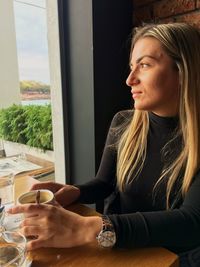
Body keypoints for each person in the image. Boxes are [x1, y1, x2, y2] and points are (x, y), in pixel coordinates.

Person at [8, 23, 200, 266]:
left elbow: (192, 222)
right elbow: (105, 183)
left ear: (183, 71)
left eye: (145, 64)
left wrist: (89, 228)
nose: (130, 79)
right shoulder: (124, 123)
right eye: (132, 67)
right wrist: (76, 191)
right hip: (117, 248)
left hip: (171, 259)